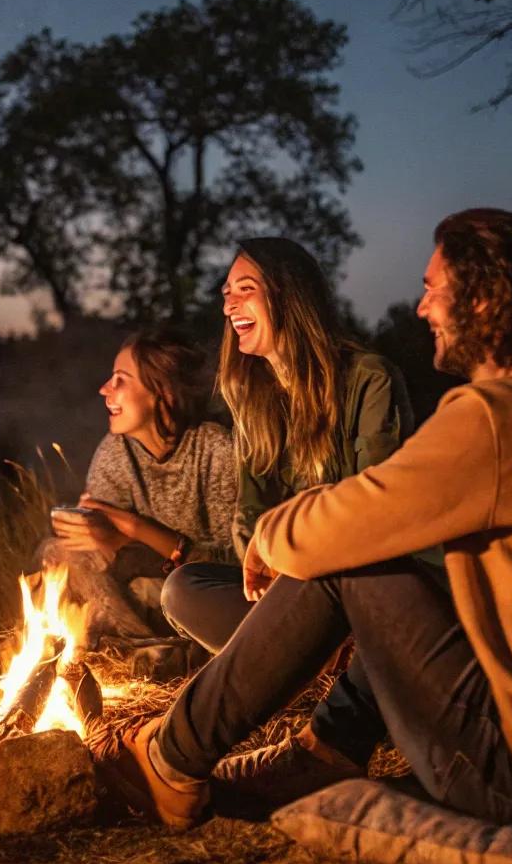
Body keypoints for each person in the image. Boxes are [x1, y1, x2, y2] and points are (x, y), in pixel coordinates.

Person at [90, 210, 512, 830]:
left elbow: (354, 519)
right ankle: (324, 749)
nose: (420, 309)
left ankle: (171, 758)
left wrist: (277, 537)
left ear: (487, 301)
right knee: (330, 554)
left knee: (345, 556)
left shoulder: (496, 415)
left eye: (434, 289)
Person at [160, 237, 414, 655]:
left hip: (359, 587)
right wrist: (270, 569)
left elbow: (378, 509)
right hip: (286, 585)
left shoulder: (368, 379)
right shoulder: (254, 397)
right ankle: (307, 661)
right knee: (183, 588)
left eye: (246, 290)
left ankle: (324, 661)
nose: (229, 306)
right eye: (227, 294)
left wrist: (296, 554)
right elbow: (251, 517)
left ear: (289, 296)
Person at [44, 327, 237, 648]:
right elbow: (104, 549)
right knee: (56, 553)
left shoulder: (215, 447)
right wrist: (104, 535)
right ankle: (150, 648)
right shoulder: (115, 451)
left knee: (168, 591)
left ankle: (156, 650)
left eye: (121, 379)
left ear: (163, 392)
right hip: (145, 591)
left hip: (201, 596)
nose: (105, 389)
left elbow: (232, 565)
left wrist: (134, 528)